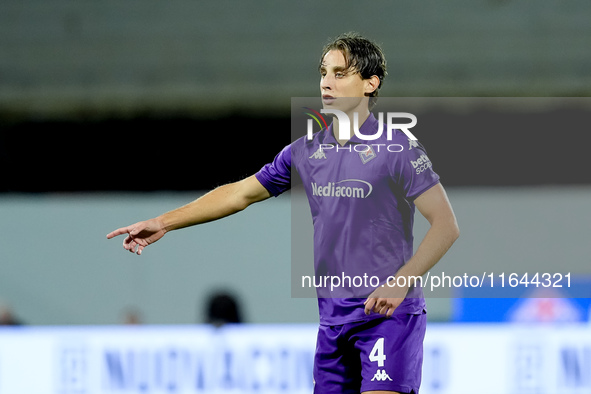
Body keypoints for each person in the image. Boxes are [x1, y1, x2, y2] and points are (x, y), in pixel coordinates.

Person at [107, 32, 459, 394]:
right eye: (323, 72)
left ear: (371, 83)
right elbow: (240, 193)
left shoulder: (398, 147)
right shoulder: (305, 151)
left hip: (388, 318)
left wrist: (402, 280)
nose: (326, 82)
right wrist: (164, 222)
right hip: (332, 321)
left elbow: (446, 225)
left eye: (340, 73)